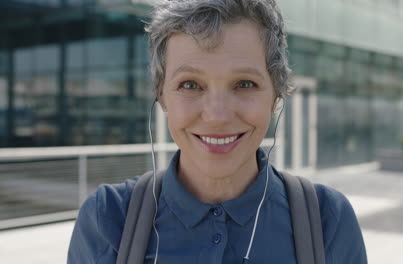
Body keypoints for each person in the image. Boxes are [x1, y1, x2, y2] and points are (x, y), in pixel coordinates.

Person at [68, 0, 367, 263]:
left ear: (275, 96)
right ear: (161, 96)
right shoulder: (107, 218)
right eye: (190, 85)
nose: (217, 116)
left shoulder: (328, 219)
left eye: (244, 84)